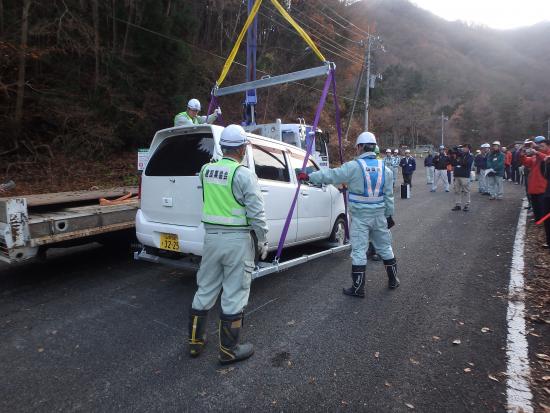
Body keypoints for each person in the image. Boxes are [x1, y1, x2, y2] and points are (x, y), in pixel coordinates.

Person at [189, 124, 268, 364]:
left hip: (211, 239)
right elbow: (257, 213)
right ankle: (228, 350)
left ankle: (195, 343)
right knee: (234, 292)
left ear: (223, 147)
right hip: (237, 241)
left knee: (205, 288)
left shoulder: (206, 170)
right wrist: (263, 240)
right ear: (243, 148)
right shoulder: (243, 175)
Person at [298, 131, 398, 295]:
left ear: (360, 147)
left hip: (360, 218)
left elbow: (331, 175)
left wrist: (309, 176)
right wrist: (389, 215)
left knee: (359, 251)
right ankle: (393, 280)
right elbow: (389, 197)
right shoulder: (385, 169)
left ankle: (358, 288)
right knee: (385, 247)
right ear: (374, 148)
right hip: (380, 216)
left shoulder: (353, 167)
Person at [521, 136, 550, 222]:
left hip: (543, 187)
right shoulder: (536, 156)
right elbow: (526, 162)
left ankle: (543, 222)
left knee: (543, 207)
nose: (539, 147)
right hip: (534, 186)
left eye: (542, 146)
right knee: (536, 206)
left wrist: (537, 152)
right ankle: (538, 220)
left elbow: (547, 158)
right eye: (539, 145)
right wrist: (522, 153)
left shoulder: (544, 155)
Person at [451, 144, 474, 211]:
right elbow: (453, 162)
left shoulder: (470, 156)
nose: (464, 149)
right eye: (463, 148)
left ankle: (467, 205)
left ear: (469, 149)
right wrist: (455, 150)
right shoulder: (461, 155)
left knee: (466, 191)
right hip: (457, 175)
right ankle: (458, 205)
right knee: (457, 191)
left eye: (465, 148)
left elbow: (467, 163)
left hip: (465, 176)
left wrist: (459, 162)